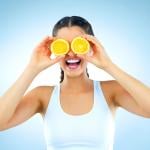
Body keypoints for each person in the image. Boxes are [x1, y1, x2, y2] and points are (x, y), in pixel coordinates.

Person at [0, 16, 150, 150]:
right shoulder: (43, 95)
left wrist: (108, 65)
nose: (71, 54)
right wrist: (32, 69)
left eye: (78, 45)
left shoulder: (110, 91)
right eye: (63, 46)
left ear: (92, 46)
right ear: (54, 49)